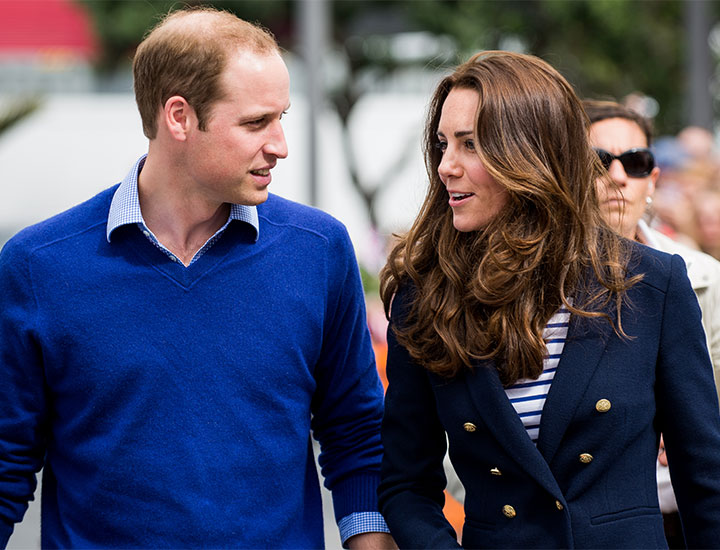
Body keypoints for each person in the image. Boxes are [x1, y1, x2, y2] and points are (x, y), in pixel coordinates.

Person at [0, 7, 394, 549]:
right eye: (257, 122)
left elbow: (357, 435)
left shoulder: (318, 251)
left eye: (282, 116)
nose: (280, 144)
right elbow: (5, 458)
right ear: (179, 117)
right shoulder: (38, 265)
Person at [377, 50, 720, 549]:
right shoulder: (425, 296)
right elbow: (407, 483)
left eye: (470, 144)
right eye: (443, 144)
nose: (446, 165)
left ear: (534, 154)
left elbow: (705, 480)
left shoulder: (653, 283)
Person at [585, 99, 720, 548]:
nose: (617, 176)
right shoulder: (537, 287)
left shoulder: (702, 277)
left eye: (636, 162)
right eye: (598, 161)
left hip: (690, 519)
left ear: (653, 179)